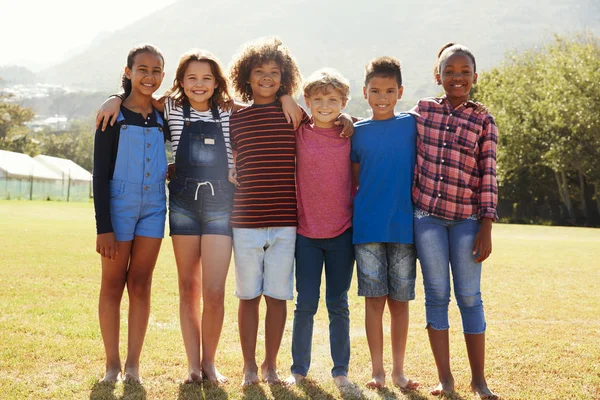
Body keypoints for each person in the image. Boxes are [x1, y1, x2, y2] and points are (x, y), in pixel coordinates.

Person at [95, 49, 301, 385]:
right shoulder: (171, 108)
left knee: (215, 290)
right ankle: (192, 365)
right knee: (189, 287)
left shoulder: (229, 112)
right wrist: (114, 98)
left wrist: (288, 96)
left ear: (218, 83)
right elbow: (140, 97)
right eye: (191, 77)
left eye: (207, 78)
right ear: (180, 82)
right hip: (183, 204)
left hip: (221, 204)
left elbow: (261, 106)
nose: (199, 84)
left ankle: (210, 363)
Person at [410, 42, 499, 399]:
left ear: (474, 77)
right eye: (449, 71)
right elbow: (386, 122)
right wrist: (347, 121)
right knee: (436, 295)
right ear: (438, 76)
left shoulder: (483, 119)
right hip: (427, 217)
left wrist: (487, 225)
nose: (457, 78)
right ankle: (445, 379)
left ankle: (479, 381)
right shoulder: (423, 111)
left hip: (466, 220)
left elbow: (488, 175)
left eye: (464, 72)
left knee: (469, 297)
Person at [227, 36, 308, 386]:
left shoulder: (293, 113)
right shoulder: (235, 117)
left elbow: (328, 117)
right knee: (248, 296)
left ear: (284, 78)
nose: (266, 77)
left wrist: (290, 98)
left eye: (274, 72)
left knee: (277, 296)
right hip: (245, 221)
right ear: (246, 75)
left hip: (285, 222)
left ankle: (270, 366)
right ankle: (248, 367)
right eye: (259, 71)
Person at [93, 44, 167, 383]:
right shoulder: (112, 115)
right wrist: (103, 227)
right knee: (112, 284)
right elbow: (100, 172)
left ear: (162, 76)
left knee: (140, 284)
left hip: (154, 208)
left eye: (155, 71)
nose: (149, 76)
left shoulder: (163, 115)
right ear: (128, 72)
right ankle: (112, 364)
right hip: (118, 207)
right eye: (142, 69)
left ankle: (133, 365)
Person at [350, 56, 420, 390]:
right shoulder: (356, 132)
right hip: (367, 229)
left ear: (400, 91)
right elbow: (355, 178)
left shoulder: (412, 125)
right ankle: (377, 371)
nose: (382, 96)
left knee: (400, 302)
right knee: (374, 301)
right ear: (365, 92)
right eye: (375, 90)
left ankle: (398, 371)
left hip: (404, 228)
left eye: (390, 90)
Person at [283, 69, 355, 389]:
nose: (325, 105)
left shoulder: (351, 134)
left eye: (332, 100)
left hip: (343, 233)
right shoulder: (298, 131)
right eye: (318, 99)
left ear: (344, 102)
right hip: (306, 234)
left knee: (338, 304)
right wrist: (287, 95)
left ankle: (340, 371)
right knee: (305, 304)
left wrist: (350, 119)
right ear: (307, 101)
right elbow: (278, 104)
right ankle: (299, 368)